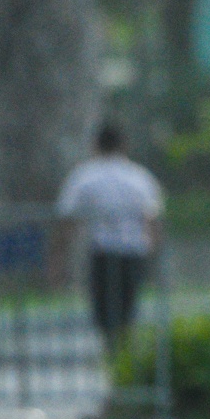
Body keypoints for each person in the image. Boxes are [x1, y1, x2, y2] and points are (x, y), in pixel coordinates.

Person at [55, 124, 163, 348]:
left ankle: (112, 350)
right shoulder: (139, 177)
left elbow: (67, 219)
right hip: (133, 252)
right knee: (127, 309)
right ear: (124, 145)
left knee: (103, 310)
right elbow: (152, 221)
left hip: (102, 252)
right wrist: (153, 257)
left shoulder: (84, 176)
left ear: (95, 145)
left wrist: (58, 259)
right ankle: (123, 355)